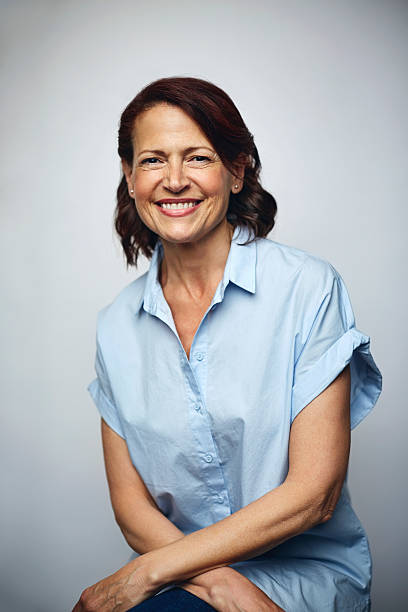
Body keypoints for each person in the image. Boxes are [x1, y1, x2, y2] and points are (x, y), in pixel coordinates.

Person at [73, 76, 382, 612]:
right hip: (182, 576)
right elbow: (131, 508)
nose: (173, 180)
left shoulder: (308, 289)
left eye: (197, 157)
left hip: (302, 576)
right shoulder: (114, 326)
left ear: (237, 172)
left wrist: (146, 575)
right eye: (151, 161)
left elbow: (315, 495)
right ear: (129, 176)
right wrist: (221, 586)